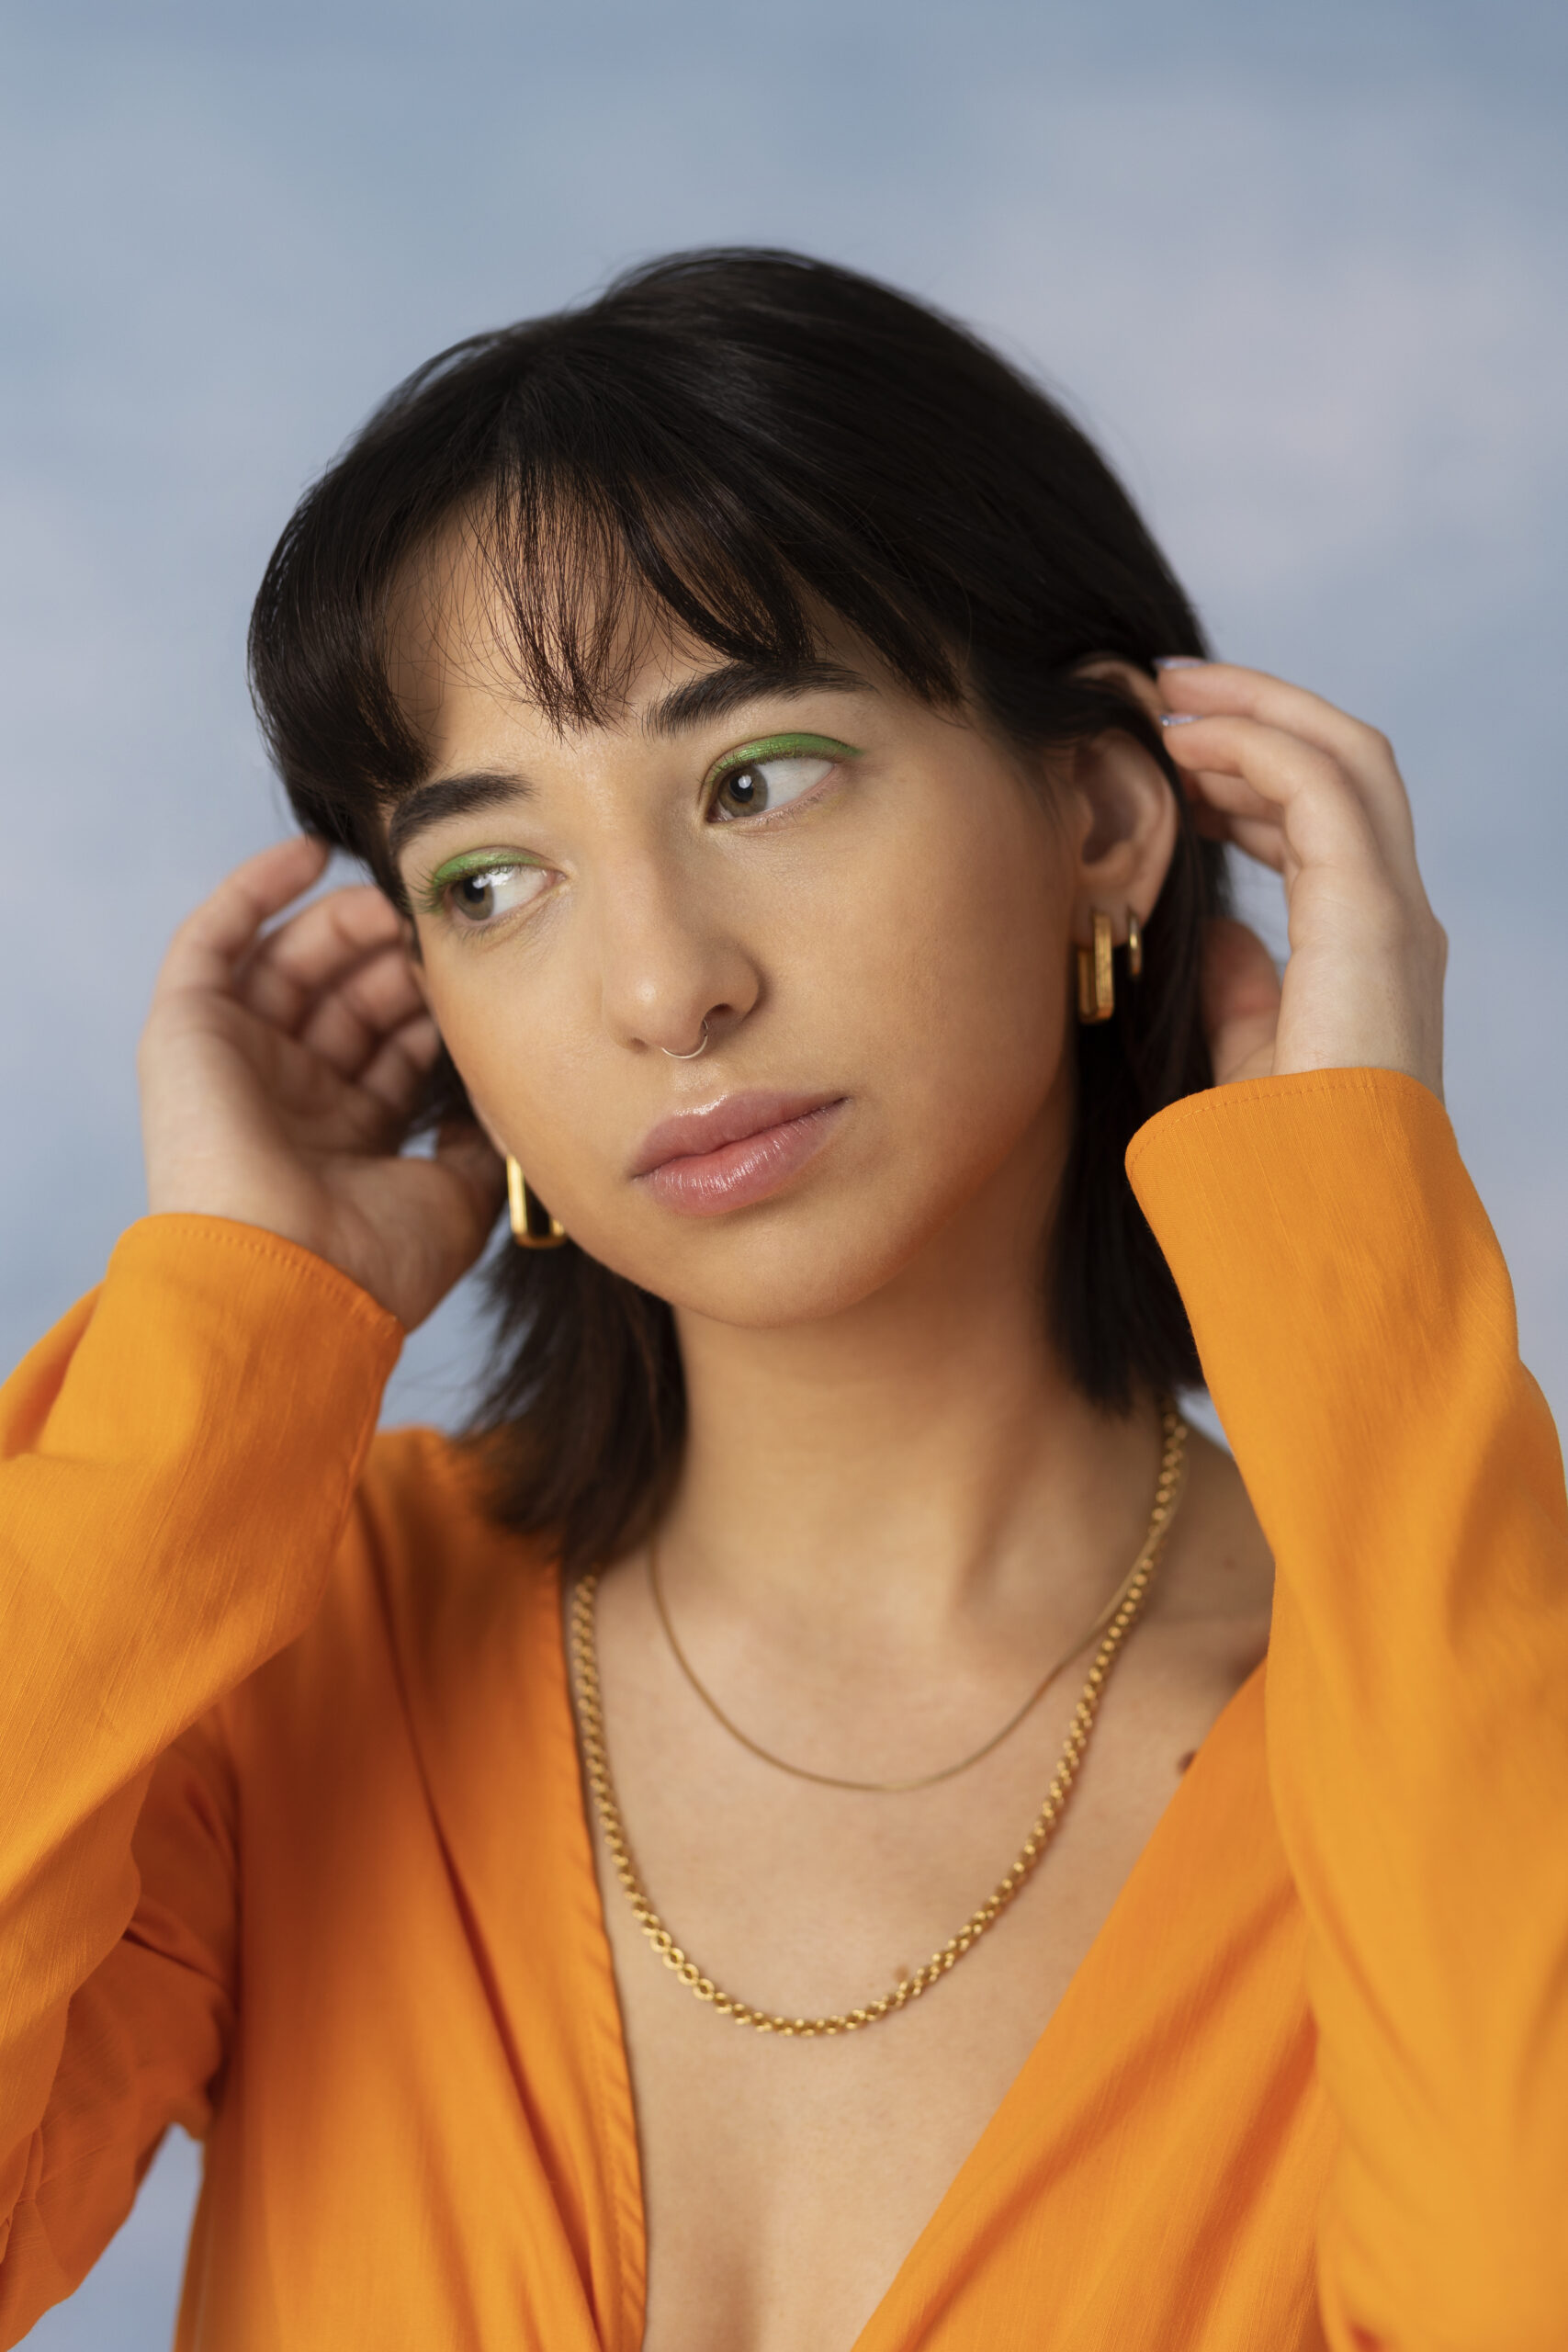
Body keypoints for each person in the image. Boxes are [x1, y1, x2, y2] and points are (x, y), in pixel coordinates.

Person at [0, 249, 1562, 2352]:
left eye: (756, 777)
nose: (662, 984)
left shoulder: (1448, 1696)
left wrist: (1353, 1261)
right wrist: (217, 1345)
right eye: (490, 880)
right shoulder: (293, 1647)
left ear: (1101, 819)